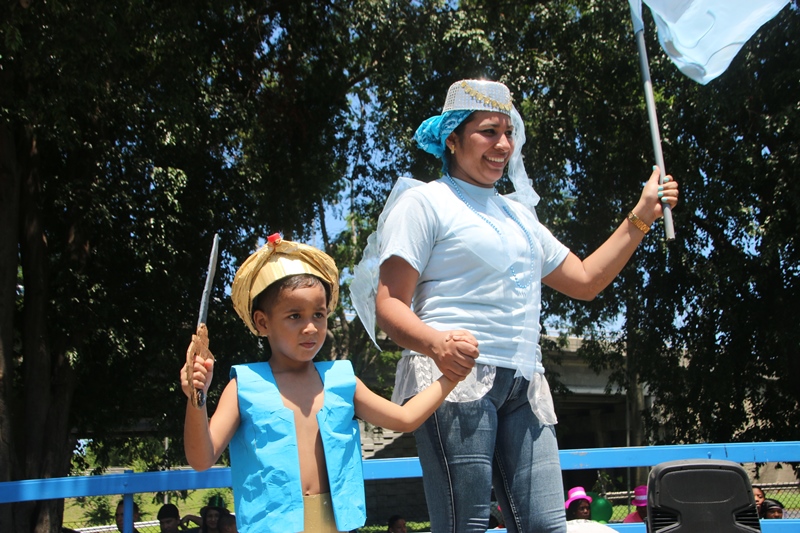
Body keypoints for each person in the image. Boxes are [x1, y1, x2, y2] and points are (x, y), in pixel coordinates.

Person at [351, 79, 679, 533]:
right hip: (454, 380)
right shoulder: (424, 202)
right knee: (465, 526)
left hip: (524, 382)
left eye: (508, 132)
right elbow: (389, 305)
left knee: (546, 526)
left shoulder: (520, 216)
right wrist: (437, 344)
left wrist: (641, 215)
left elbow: (586, 280)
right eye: (489, 131)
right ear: (452, 138)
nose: (503, 144)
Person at [182, 234, 466, 533]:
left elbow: (405, 419)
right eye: (295, 316)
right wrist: (195, 400)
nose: (310, 327)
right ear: (263, 322)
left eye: (318, 314)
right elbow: (201, 459)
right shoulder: (244, 386)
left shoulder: (342, 380)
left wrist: (451, 375)